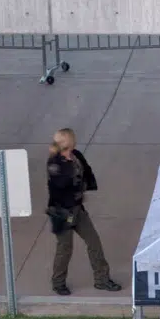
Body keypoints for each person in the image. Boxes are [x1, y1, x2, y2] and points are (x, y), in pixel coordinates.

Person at [46, 127, 121, 297]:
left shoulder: (76, 155)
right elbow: (61, 184)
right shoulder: (54, 164)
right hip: (61, 212)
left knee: (93, 242)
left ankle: (102, 279)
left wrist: (86, 186)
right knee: (65, 248)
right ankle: (58, 283)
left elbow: (86, 171)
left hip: (77, 210)